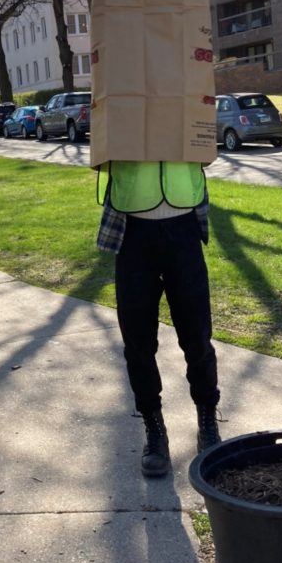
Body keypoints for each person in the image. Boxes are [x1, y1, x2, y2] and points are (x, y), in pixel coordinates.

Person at [97, 159, 221, 477]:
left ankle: (207, 416)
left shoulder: (187, 104)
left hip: (184, 223)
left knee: (197, 334)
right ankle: (154, 426)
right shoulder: (119, 105)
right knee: (137, 340)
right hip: (132, 228)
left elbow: (206, 146)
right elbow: (100, 152)